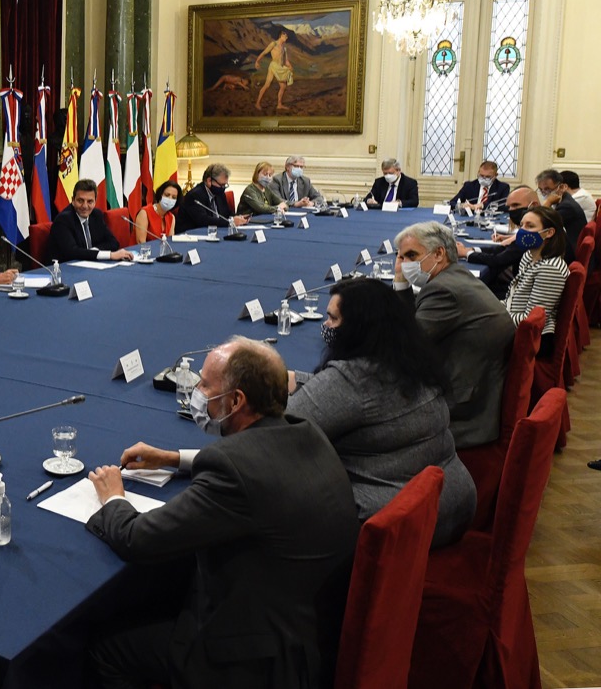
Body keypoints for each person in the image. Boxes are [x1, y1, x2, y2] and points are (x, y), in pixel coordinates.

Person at [85, 337, 359, 689]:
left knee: (107, 647)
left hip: (256, 663)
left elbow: (138, 539)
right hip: (312, 630)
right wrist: (174, 458)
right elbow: (256, 466)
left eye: (204, 384)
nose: (196, 392)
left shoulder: (232, 469)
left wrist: (113, 498)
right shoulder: (306, 431)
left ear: (236, 401)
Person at [288, 278, 477, 546]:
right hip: (451, 506)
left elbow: (279, 429)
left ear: (357, 328)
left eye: (332, 319)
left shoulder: (354, 379)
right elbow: (361, 400)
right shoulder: (411, 362)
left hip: (391, 530)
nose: (326, 326)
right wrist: (300, 380)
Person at [395, 221, 516, 448]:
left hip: (464, 409)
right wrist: (401, 280)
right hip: (481, 387)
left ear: (439, 253)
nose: (404, 264)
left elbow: (407, 347)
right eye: (401, 257)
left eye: (411, 255)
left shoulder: (443, 290)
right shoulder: (456, 275)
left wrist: (399, 285)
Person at [504, 205, 570, 355]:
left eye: (530, 226)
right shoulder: (529, 256)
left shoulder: (550, 268)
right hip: (515, 323)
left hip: (534, 339)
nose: (522, 230)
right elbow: (512, 298)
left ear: (549, 233)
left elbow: (531, 320)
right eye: (521, 225)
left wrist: (494, 317)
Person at [457, 185, 535, 299]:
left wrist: (466, 254)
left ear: (533, 205)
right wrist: (471, 250)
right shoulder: (531, 229)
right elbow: (502, 249)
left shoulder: (533, 235)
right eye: (509, 207)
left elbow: (499, 260)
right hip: (518, 286)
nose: (512, 211)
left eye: (516, 205)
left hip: (520, 295)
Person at [48, 179, 135, 262]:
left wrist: (92, 252)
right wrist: (110, 255)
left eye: (89, 202)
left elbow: (113, 243)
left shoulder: (96, 215)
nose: (85, 206)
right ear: (73, 200)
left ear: (95, 202)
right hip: (64, 269)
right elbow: (72, 252)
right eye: (80, 201)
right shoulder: (63, 220)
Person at [175, 163, 250, 233]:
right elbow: (203, 220)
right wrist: (230, 222)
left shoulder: (219, 193)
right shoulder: (194, 195)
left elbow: (226, 213)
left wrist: (239, 218)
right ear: (209, 181)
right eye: (221, 185)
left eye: (225, 185)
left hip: (215, 232)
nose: (223, 188)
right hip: (192, 234)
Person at [535, 168, 585, 261]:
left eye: (547, 189)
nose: (544, 193)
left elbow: (539, 222)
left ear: (561, 187)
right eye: (541, 190)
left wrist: (548, 202)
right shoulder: (563, 200)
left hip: (570, 254)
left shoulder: (567, 206)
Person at [254, 30, 295, 111]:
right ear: (281, 36)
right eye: (285, 36)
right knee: (267, 85)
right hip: (273, 66)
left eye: (287, 36)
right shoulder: (274, 44)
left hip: (280, 67)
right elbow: (264, 52)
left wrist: (290, 66)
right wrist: (257, 61)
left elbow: (286, 60)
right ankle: (257, 103)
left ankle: (279, 104)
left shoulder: (284, 47)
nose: (287, 37)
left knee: (283, 86)